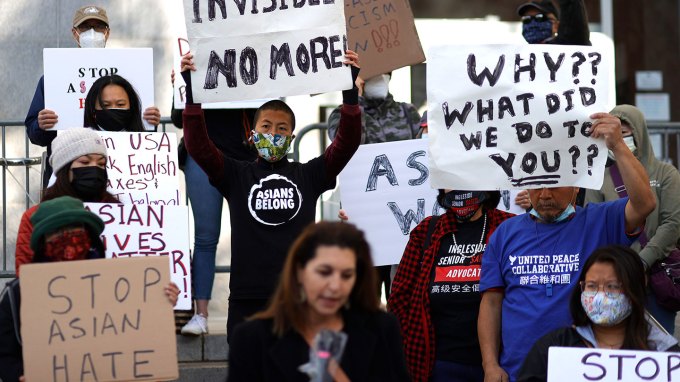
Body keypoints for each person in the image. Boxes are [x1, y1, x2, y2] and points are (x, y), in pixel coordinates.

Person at [180, 50, 362, 342]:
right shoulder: (236, 175)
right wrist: (193, 92)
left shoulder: (309, 175)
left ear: (291, 137)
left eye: (281, 129)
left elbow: (346, 144)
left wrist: (349, 94)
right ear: (252, 135)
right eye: (266, 127)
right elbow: (198, 145)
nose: (273, 134)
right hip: (247, 300)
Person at [478, 111, 657, 382]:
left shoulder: (600, 220)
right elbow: (491, 303)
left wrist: (618, 145)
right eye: (536, 186)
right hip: (519, 371)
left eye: (554, 185)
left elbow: (645, 203)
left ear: (576, 185)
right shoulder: (505, 234)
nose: (545, 194)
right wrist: (490, 364)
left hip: (585, 369)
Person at [0, 196, 181, 382]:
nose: (67, 237)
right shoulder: (17, 294)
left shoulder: (119, 286)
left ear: (88, 234)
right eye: (57, 231)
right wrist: (19, 376)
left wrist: (160, 303)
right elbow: (4, 355)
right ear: (43, 243)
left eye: (74, 228)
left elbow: (139, 334)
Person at [228, 221, 410, 381]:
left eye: (347, 275)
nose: (335, 286)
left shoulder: (382, 328)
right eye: (324, 272)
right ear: (299, 271)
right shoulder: (251, 339)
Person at [24, 5, 161, 187]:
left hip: (122, 174)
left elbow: (139, 131)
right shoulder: (52, 79)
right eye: (85, 27)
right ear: (75, 34)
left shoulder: (129, 76)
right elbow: (35, 135)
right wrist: (41, 126)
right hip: (68, 173)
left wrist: (150, 122)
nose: (92, 33)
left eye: (98, 27)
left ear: (107, 33)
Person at [389, 190, 514, 381]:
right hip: (438, 364)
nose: (460, 189)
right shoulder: (427, 231)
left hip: (502, 364)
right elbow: (400, 298)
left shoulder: (510, 227)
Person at [170, 70, 258, 335]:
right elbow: (177, 118)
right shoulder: (191, 66)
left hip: (242, 158)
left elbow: (262, 110)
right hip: (201, 157)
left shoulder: (250, 61)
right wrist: (180, 84)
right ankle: (201, 314)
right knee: (206, 237)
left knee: (250, 236)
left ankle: (251, 311)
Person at [517, 245, 679, 382]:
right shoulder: (553, 347)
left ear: (634, 290)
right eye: (592, 286)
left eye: (613, 286)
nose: (600, 297)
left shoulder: (664, 353)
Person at [585, 105, 680, 334]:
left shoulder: (666, 174)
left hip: (656, 279)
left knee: (658, 347)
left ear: (640, 133)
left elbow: (673, 224)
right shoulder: (597, 177)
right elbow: (594, 224)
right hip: (614, 280)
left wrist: (641, 262)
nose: (618, 139)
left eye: (624, 134)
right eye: (613, 134)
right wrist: (618, 268)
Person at [327, 72, 421, 301]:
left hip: (403, 222)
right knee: (362, 297)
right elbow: (347, 144)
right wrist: (354, 99)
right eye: (369, 76)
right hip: (364, 217)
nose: (377, 79)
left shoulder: (408, 112)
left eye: (382, 74)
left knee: (401, 295)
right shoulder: (340, 114)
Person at [14, 128, 119, 275]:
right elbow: (25, 277)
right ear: (63, 169)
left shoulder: (120, 212)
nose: (94, 168)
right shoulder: (36, 216)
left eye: (101, 164)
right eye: (84, 162)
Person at [82, 74, 149, 132]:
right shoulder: (81, 144)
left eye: (120, 104)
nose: (113, 108)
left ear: (132, 106)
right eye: (105, 105)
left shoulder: (148, 144)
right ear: (92, 109)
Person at [517, 0, 590, 45]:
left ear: (556, 26)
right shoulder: (516, 56)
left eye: (540, 17)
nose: (532, 24)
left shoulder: (567, 46)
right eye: (526, 19)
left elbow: (572, 9)